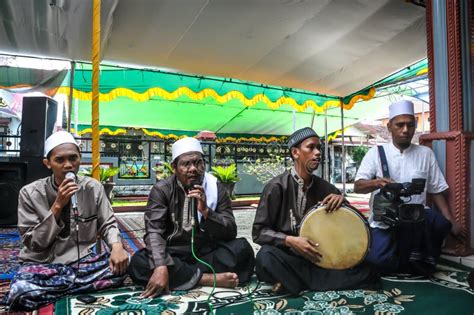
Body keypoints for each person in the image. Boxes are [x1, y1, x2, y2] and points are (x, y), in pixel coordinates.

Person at [6, 131, 129, 311]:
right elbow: (34, 243)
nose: (68, 165)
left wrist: (117, 247)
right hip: (44, 265)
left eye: (73, 158)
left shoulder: (93, 188)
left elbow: (107, 223)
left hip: (82, 263)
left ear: (80, 158)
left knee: (123, 267)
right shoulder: (30, 193)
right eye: (60, 160)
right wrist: (58, 205)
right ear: (47, 163)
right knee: (20, 290)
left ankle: (60, 289)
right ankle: (78, 287)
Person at [252, 127, 379, 295]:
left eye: (319, 148)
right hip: (289, 256)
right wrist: (291, 241)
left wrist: (343, 201)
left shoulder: (326, 187)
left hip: (319, 258)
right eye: (311, 147)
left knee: (369, 268)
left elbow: (350, 224)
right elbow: (259, 232)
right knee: (265, 257)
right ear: (295, 152)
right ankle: (307, 281)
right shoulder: (276, 187)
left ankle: (293, 283)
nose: (318, 152)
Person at [128, 137, 255, 298]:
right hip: (173, 254)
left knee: (243, 250)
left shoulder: (216, 188)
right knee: (139, 263)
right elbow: (154, 232)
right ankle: (206, 279)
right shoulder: (162, 190)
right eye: (186, 164)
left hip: (207, 253)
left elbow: (230, 232)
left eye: (198, 163)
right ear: (174, 167)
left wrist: (207, 212)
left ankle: (185, 276)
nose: (193, 169)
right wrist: (160, 266)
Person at [354, 99, 464, 275]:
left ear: (415, 125)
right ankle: (402, 255)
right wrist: (377, 182)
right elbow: (358, 187)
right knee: (376, 261)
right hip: (386, 219)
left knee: (442, 225)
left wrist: (450, 220)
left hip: (416, 215)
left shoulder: (425, 154)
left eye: (410, 125)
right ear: (389, 126)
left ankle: (409, 257)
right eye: (400, 125)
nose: (405, 130)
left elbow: (435, 189)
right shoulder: (376, 153)